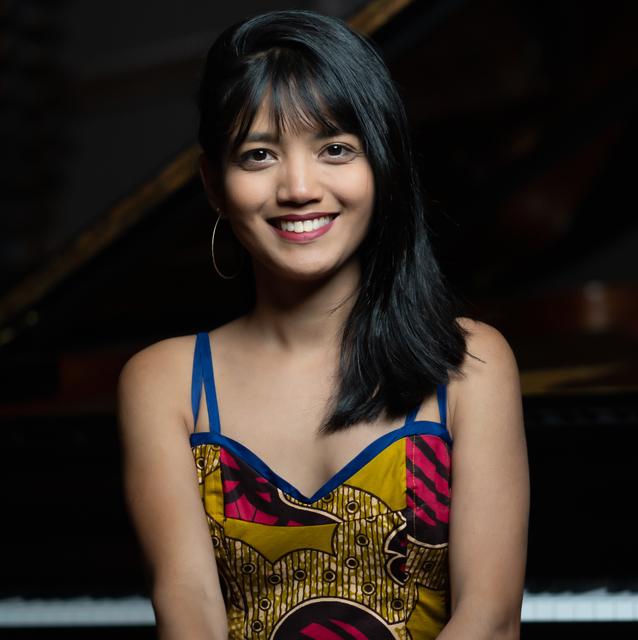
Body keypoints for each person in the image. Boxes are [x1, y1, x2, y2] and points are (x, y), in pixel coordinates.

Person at [117, 9, 529, 640]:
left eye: (336, 149)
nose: (299, 187)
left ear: (381, 164)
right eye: (259, 155)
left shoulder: (470, 361)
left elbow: (491, 620)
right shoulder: (163, 381)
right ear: (214, 184)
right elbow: (189, 609)